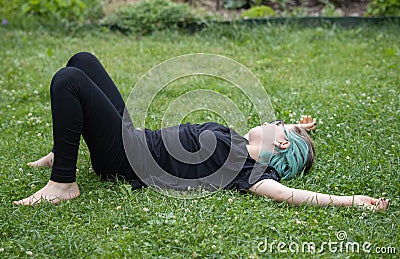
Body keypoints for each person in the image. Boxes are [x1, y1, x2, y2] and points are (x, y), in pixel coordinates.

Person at [14, 52, 389, 211]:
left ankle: (64, 182)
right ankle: (64, 149)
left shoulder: (250, 172)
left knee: (69, 80)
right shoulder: (240, 143)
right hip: (134, 136)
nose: (276, 121)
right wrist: (301, 131)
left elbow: (290, 195)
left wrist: (351, 200)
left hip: (126, 158)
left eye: (281, 124)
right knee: (83, 62)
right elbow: (285, 147)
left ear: (281, 141)